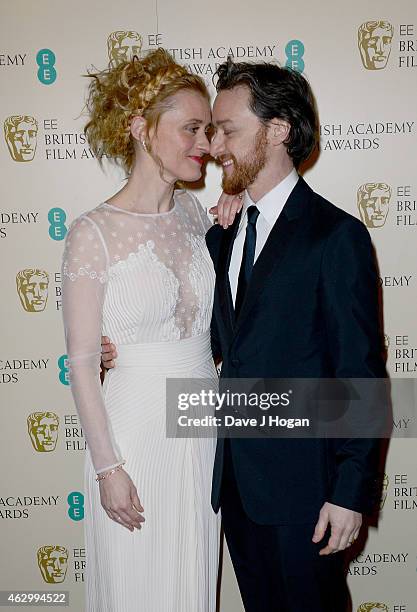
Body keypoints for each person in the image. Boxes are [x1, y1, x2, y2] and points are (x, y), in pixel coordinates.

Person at [206, 59, 386, 611]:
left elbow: (360, 371)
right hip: (238, 488)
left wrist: (349, 493)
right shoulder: (221, 236)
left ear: (278, 129)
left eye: (228, 129)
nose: (215, 146)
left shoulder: (336, 237)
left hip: (308, 493)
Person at [62, 48, 220, 612]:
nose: (205, 144)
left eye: (207, 129)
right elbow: (82, 361)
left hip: (203, 428)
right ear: (140, 127)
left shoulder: (199, 217)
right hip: (135, 433)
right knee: (136, 586)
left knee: (191, 580)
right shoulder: (93, 233)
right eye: (191, 128)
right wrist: (108, 467)